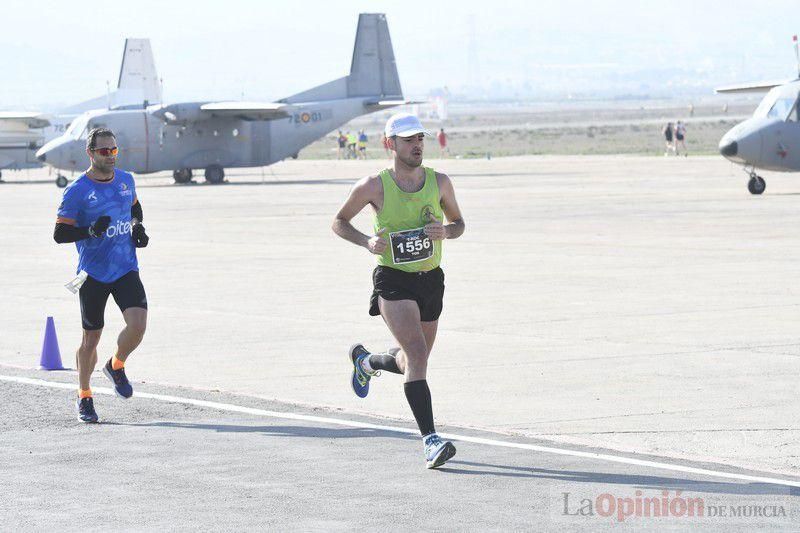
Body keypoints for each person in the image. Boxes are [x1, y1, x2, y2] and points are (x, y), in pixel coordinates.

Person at [332, 113, 466, 469]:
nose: (416, 145)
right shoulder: (373, 186)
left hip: (431, 280)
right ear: (389, 144)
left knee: (410, 361)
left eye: (419, 138)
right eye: (407, 140)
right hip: (393, 280)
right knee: (419, 355)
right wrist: (366, 241)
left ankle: (366, 361)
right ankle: (430, 441)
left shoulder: (440, 182)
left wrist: (445, 232)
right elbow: (339, 221)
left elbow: (459, 224)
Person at [53, 128, 150, 423]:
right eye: (104, 151)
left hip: (125, 268)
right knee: (90, 340)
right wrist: (90, 231)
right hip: (92, 274)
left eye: (114, 150)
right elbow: (60, 233)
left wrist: (137, 227)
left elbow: (135, 209)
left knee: (138, 327)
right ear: (90, 153)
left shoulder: (126, 180)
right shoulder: (77, 190)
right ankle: (84, 396)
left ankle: (116, 365)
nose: (110, 155)